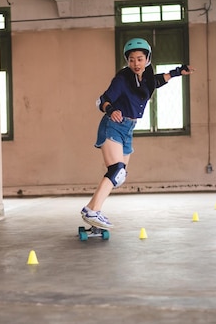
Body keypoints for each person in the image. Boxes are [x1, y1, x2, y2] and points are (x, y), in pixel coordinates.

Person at [81, 38, 195, 229]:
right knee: (116, 170)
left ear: (147, 58)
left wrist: (177, 72)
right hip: (113, 125)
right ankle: (91, 210)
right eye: (132, 59)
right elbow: (103, 99)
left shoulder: (147, 78)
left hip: (129, 128)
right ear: (127, 60)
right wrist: (111, 110)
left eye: (140, 59)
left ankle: (94, 213)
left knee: (120, 175)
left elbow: (158, 81)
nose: (136, 63)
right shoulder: (122, 79)